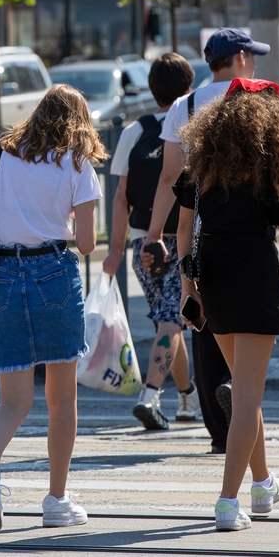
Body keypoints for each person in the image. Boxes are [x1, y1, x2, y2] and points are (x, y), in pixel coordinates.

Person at [175, 77, 279, 531]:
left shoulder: (201, 164)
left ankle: (262, 484)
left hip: (213, 279)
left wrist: (187, 287)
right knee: (247, 394)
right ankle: (225, 502)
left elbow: (182, 230)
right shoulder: (271, 167)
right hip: (255, 278)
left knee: (245, 388)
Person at [0, 84, 105, 533]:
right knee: (61, 397)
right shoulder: (78, 162)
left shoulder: (0, 152)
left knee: (14, 399)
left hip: (4, 275)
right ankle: (57, 500)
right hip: (54, 275)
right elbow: (85, 244)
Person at [142, 27, 271, 452]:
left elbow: (169, 176)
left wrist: (154, 233)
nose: (253, 63)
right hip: (250, 229)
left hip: (199, 232)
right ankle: (238, 391)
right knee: (250, 323)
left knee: (204, 323)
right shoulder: (257, 98)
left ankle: (220, 432)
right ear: (237, 58)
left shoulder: (186, 105)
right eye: (251, 55)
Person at [101, 53, 199, 431]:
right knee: (171, 319)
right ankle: (150, 395)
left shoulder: (134, 131)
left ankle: (187, 397)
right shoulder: (191, 125)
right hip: (183, 239)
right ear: (189, 89)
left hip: (143, 243)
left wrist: (114, 250)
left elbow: (121, 197)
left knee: (167, 321)